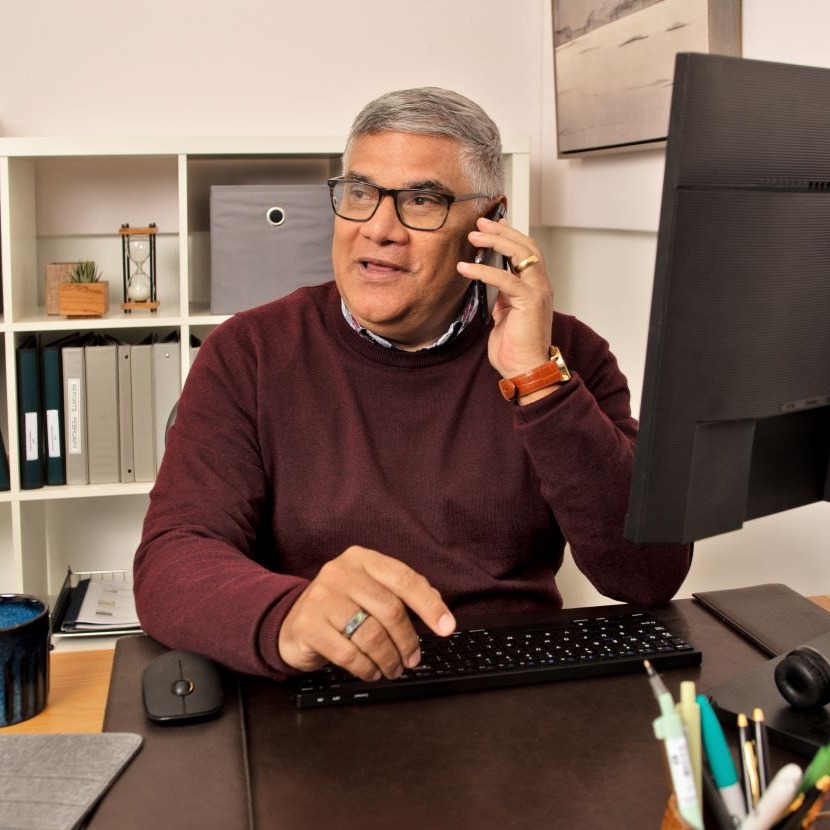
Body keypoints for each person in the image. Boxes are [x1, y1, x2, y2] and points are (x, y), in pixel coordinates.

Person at [134, 87, 691, 683]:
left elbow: (648, 575)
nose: (379, 229)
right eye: (360, 193)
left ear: (490, 221)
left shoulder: (565, 357)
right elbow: (172, 556)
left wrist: (537, 383)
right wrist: (288, 616)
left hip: (506, 690)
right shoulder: (249, 352)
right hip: (327, 679)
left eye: (422, 200)